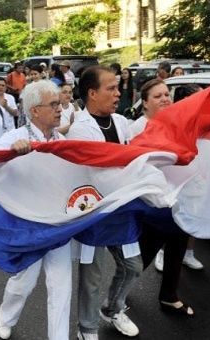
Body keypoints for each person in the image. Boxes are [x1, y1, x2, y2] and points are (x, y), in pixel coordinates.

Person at [67, 66, 141, 339]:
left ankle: (112, 309)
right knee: (92, 276)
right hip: (94, 210)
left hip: (121, 207)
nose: (117, 93)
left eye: (117, 87)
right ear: (92, 93)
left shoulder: (121, 122)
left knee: (132, 266)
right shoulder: (80, 129)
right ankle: (86, 328)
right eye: (111, 88)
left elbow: (136, 156)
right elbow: (101, 169)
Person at [0, 80, 70, 340]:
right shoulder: (14, 138)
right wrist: (8, 155)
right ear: (34, 111)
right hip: (27, 224)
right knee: (23, 283)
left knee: (61, 287)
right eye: (54, 104)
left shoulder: (62, 141)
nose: (60, 109)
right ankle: (7, 317)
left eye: (60, 104)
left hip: (59, 224)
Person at [131, 79, 195, 317]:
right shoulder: (137, 128)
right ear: (145, 103)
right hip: (152, 204)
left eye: (167, 94)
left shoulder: (176, 125)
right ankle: (117, 295)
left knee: (177, 249)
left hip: (177, 200)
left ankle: (169, 296)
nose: (165, 99)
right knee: (142, 255)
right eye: (157, 96)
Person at [153, 84, 204, 272]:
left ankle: (189, 253)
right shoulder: (171, 120)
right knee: (173, 218)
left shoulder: (202, 121)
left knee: (194, 215)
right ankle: (161, 252)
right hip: (174, 178)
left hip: (196, 175)